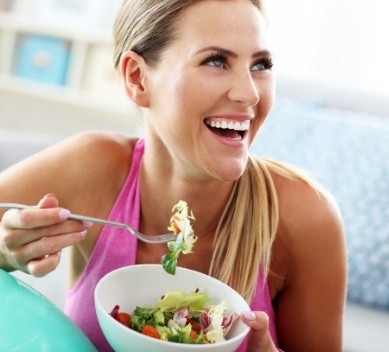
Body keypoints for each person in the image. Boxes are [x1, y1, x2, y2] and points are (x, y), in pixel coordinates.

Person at [0, 0, 347, 350]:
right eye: (216, 61)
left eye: (260, 64)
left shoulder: (306, 217)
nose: (249, 93)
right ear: (137, 79)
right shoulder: (93, 168)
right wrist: (5, 254)